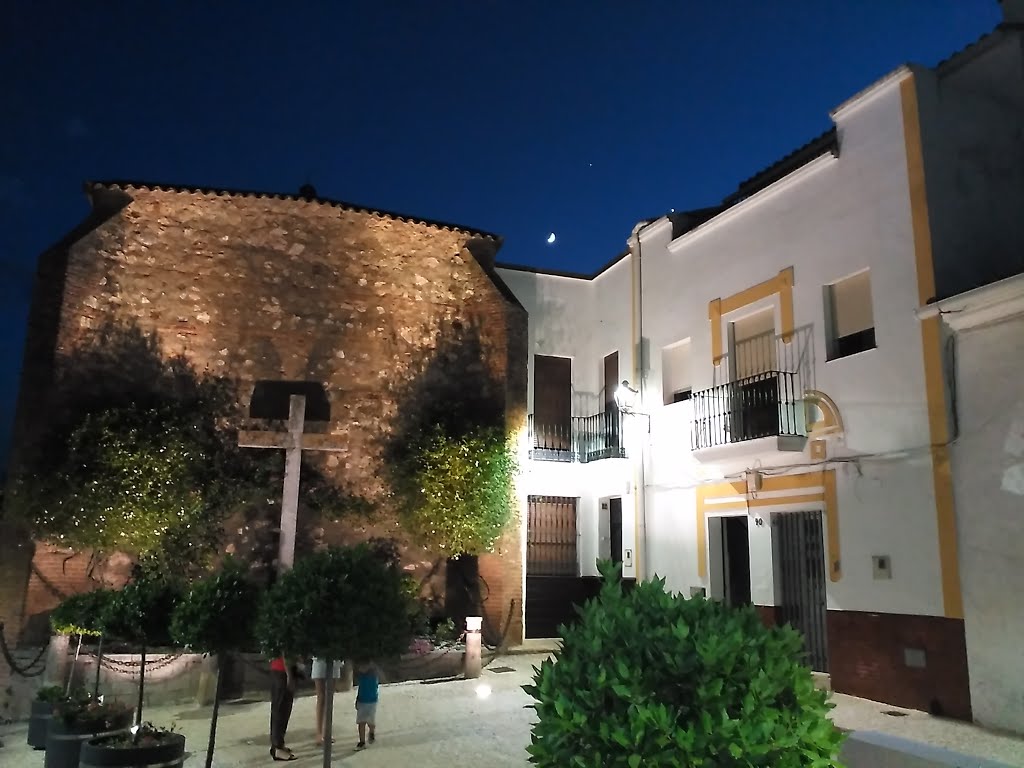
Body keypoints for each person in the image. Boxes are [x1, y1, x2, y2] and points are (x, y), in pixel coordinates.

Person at [269, 653, 297, 762]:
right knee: (280, 711)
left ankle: (279, 744)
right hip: (282, 671)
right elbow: (286, 650)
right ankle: (277, 747)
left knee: (283, 710)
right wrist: (289, 674)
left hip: (282, 670)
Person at [310, 656, 342, 746]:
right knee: (321, 697)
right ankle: (319, 733)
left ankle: (327, 731)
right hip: (319, 659)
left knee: (329, 697)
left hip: (334, 659)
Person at [354, 660, 382, 748]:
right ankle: (362, 741)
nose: (361, 668)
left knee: (370, 722)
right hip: (362, 701)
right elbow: (360, 689)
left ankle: (372, 731)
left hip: (372, 702)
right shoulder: (361, 676)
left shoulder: (374, 675)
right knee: (361, 722)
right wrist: (357, 700)